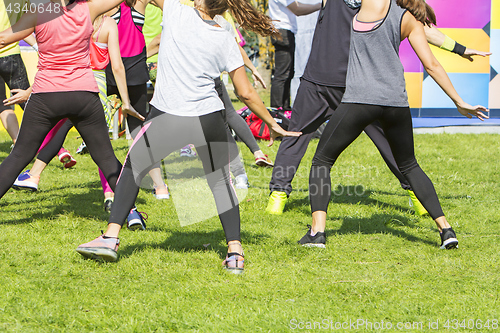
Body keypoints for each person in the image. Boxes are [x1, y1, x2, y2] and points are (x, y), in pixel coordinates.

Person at [76, 0, 301, 274]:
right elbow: (246, 93)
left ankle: (110, 238)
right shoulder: (225, 32)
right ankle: (235, 253)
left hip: (168, 115)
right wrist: (271, 123)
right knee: (220, 184)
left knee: (134, 167)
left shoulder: (176, 10)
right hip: (209, 117)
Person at [266, 0, 492, 216]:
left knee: (295, 134)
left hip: (335, 82)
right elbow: (422, 30)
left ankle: (277, 195)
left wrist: (460, 49)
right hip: (353, 84)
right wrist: (459, 49)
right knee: (391, 145)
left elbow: (419, 28)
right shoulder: (385, 4)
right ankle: (416, 194)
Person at [0, 0, 146, 226]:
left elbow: (3, 39)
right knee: (106, 158)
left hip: (46, 95)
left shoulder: (41, 11)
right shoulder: (89, 8)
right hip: (83, 95)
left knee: (19, 156)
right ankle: (132, 213)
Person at [268, 0, 321, 110]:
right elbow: (297, 9)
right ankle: (277, 110)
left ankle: (285, 109)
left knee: (288, 73)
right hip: (282, 31)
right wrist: (320, 5)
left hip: (284, 31)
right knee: (282, 74)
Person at [0, 0, 35, 146]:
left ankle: (19, 143)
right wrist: (37, 45)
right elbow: (23, 26)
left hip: (7, 51)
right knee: (27, 102)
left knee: (3, 104)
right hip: (11, 55)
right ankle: (56, 147)